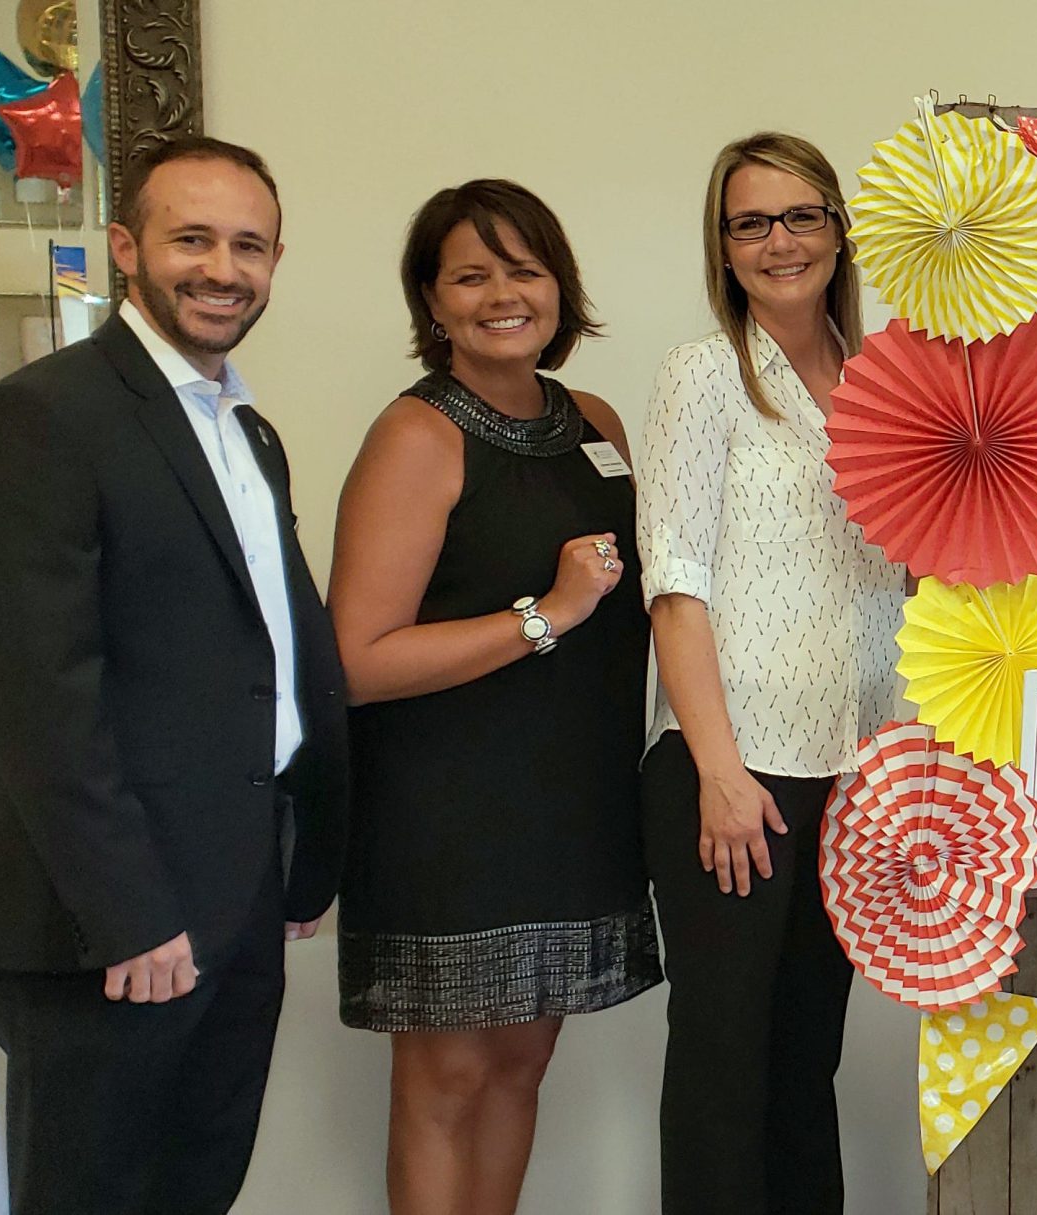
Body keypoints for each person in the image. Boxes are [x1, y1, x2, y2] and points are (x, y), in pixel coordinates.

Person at [0, 136, 348, 1214]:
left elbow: (271, 648)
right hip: (112, 918)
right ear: (126, 247)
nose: (222, 270)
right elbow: (40, 693)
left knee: (199, 1185)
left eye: (248, 245)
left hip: (240, 888)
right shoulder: (44, 415)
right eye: (193, 239)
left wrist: (307, 855)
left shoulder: (248, 429)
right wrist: (129, 914)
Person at [327, 179, 658, 1215]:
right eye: (471, 275)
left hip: (573, 806)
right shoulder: (417, 436)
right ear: (433, 303)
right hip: (448, 818)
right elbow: (358, 659)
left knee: (520, 1067)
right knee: (445, 1083)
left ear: (559, 285)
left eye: (524, 269)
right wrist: (545, 615)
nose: (502, 294)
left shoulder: (592, 422)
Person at [637, 131, 907, 1214]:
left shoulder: (892, 386)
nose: (778, 240)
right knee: (720, 1065)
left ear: (840, 231)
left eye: (800, 216)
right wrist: (717, 770)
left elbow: (907, 577)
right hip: (734, 770)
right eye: (750, 221)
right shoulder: (703, 377)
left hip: (855, 769)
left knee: (806, 1059)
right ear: (723, 246)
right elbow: (676, 584)